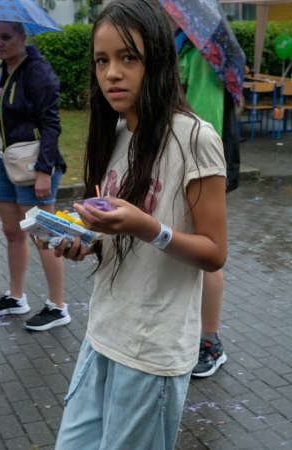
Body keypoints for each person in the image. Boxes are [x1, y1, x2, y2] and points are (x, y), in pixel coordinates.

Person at [53, 0, 227, 448]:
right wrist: (84, 240)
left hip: (153, 350)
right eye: (102, 60)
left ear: (158, 60)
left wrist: (147, 228)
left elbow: (214, 252)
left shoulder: (194, 138)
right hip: (105, 331)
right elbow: (114, 234)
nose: (112, 73)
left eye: (128, 58)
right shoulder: (113, 134)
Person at [0, 21, 70, 331]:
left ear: (23, 38)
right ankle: (17, 296)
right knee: (13, 232)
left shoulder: (37, 71)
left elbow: (51, 124)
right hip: (3, 164)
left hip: (33, 165)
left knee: (45, 237)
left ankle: (58, 306)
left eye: (6, 37)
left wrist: (44, 172)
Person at [174, 21, 242, 378]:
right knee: (182, 246)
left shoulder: (202, 50)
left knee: (207, 253)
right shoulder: (177, 44)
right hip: (174, 157)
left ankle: (210, 342)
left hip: (198, 163)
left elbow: (203, 117)